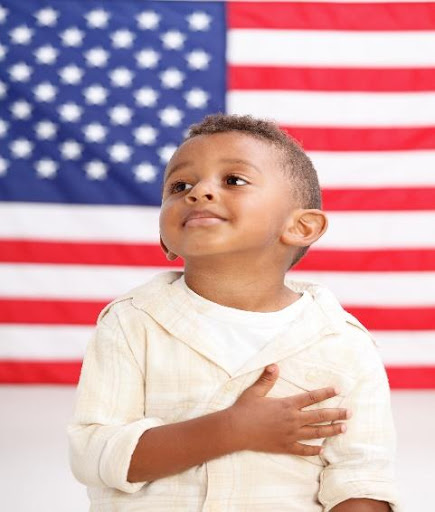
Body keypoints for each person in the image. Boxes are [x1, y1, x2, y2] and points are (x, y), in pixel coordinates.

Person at [68, 114, 401, 511]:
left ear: (301, 227)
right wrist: (230, 430)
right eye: (180, 185)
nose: (197, 192)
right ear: (164, 237)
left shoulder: (344, 342)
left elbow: (360, 477)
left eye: (233, 180)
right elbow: (93, 454)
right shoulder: (132, 321)